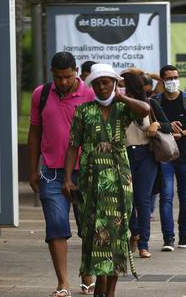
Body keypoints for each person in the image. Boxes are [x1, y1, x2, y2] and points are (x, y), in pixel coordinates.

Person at [62, 63, 150, 297]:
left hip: (119, 181)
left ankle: (109, 291)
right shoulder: (84, 110)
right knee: (93, 234)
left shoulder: (123, 109)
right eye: (98, 83)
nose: (102, 87)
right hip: (90, 180)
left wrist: (122, 98)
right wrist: (68, 178)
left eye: (107, 82)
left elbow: (145, 109)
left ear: (114, 83)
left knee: (117, 235)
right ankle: (98, 286)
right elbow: (73, 147)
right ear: (92, 86)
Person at [28, 52, 95, 297]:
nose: (64, 82)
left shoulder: (90, 94)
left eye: (68, 77)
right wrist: (32, 170)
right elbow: (35, 132)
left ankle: (87, 274)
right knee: (56, 226)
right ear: (51, 73)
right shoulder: (41, 94)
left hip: (85, 172)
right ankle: (63, 283)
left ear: (76, 71)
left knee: (88, 226)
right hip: (51, 173)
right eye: (58, 77)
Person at [155, 64, 186, 251]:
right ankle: (168, 238)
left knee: (185, 198)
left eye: (175, 77)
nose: (173, 81)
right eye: (168, 78)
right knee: (166, 197)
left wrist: (183, 133)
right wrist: (164, 127)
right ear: (162, 81)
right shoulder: (156, 101)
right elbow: (150, 124)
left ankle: (184, 234)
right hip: (165, 155)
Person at [123, 72, 169, 259]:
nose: (118, 89)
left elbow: (167, 126)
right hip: (123, 155)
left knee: (143, 200)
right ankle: (134, 232)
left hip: (145, 155)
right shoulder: (116, 105)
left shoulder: (149, 104)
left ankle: (144, 243)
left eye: (123, 85)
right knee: (127, 200)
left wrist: (156, 125)